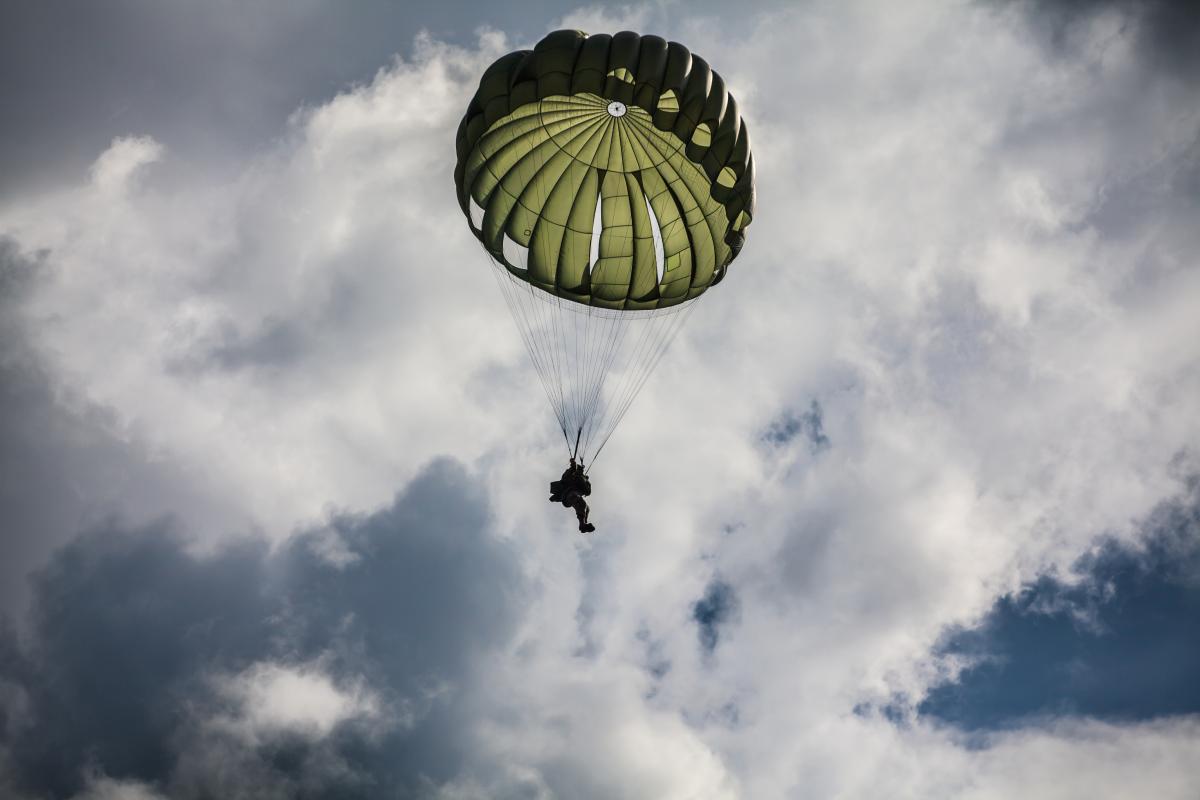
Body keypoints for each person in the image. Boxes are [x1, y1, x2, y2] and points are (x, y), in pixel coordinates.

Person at [549, 457, 595, 533]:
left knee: (586, 507)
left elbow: (588, 492)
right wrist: (573, 463)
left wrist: (584, 480)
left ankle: (583, 522)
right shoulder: (569, 475)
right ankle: (582, 524)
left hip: (575, 495)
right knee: (577, 499)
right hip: (567, 494)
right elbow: (570, 471)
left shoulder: (583, 481)